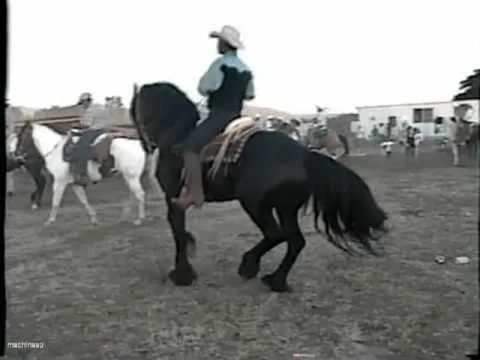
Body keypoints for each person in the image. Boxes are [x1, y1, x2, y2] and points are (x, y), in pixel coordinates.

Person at [171, 25, 255, 210]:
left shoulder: (220, 64)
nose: (217, 45)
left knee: (191, 148)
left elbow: (203, 87)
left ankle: (195, 193)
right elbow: (250, 94)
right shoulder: (246, 69)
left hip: (219, 115)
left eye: (219, 42)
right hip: (237, 116)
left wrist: (215, 91)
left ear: (224, 45)